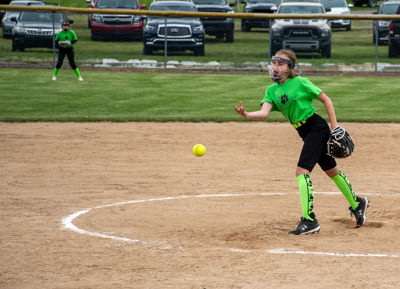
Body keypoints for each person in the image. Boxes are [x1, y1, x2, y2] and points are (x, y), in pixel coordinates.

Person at [233, 49, 369, 235]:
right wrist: (247, 114)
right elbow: (264, 112)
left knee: (302, 171)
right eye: (274, 63)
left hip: (317, 127)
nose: (275, 67)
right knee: (331, 170)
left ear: (289, 68)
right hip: (304, 132)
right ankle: (357, 202)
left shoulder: (300, 83)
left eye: (281, 64)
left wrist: (335, 127)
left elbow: (326, 99)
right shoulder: (271, 91)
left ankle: (310, 219)